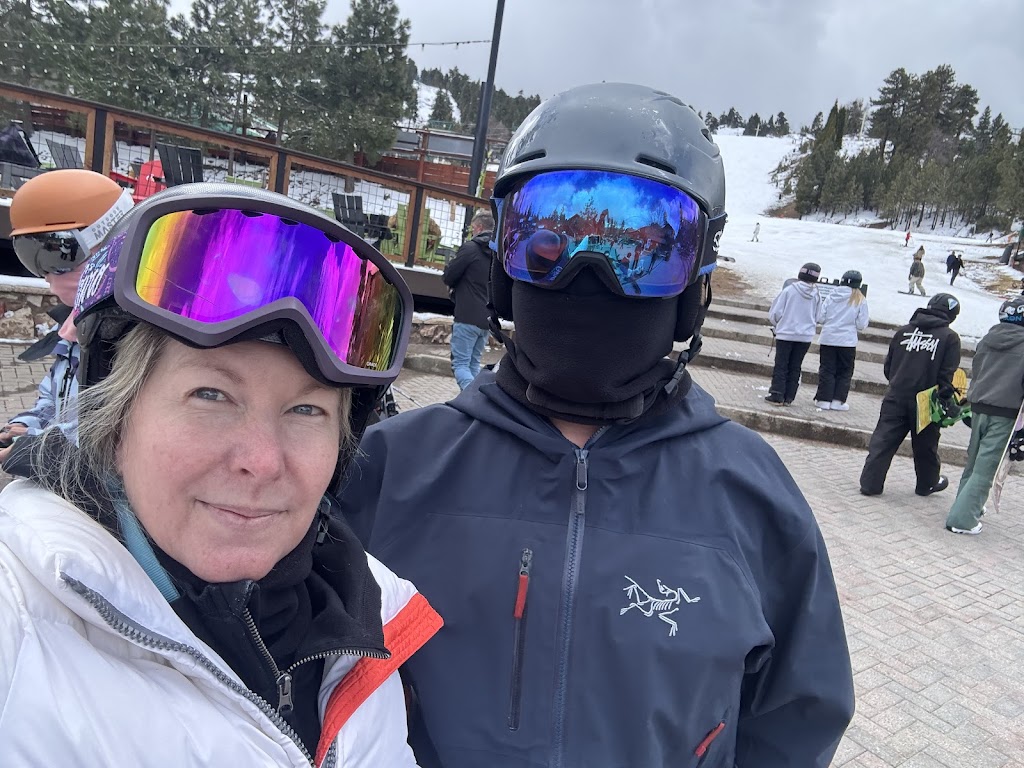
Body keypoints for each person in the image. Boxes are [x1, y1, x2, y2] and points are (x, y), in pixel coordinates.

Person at [340, 82, 854, 768]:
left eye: (643, 251)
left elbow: (796, 719)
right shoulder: (393, 466)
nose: (591, 273)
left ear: (693, 288)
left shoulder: (750, 493)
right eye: (548, 241)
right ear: (504, 271)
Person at [0, 184, 442, 764]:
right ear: (116, 415)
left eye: (306, 410)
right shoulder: (17, 628)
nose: (262, 461)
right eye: (211, 395)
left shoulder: (371, 622)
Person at [0, 169, 131, 470]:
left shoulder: (133, 335)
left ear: (113, 245)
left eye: (58, 255)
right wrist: (29, 425)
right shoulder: (74, 326)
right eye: (30, 255)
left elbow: (109, 440)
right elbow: (55, 395)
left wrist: (33, 452)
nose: (46, 275)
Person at [860, 293, 962, 497]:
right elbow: (946, 375)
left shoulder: (903, 331)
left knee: (883, 441)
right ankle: (927, 484)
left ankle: (870, 484)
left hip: (896, 395)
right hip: (926, 400)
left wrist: (898, 382)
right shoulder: (950, 338)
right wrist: (947, 399)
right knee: (926, 445)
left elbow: (889, 367)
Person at [944, 297, 1024, 534]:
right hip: (1006, 412)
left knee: (974, 462)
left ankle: (968, 505)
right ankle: (962, 520)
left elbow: (977, 371)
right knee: (986, 468)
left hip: (979, 407)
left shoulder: (988, 339)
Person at [443, 210, 495, 390]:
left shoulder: (471, 248)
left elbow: (450, 276)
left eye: (473, 228)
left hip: (467, 316)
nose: (472, 232)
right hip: (486, 319)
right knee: (473, 364)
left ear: (479, 227)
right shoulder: (498, 253)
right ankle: (475, 397)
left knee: (460, 365)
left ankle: (472, 399)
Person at [765, 262, 821, 405]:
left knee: (781, 364)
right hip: (805, 336)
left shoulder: (789, 291)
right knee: (795, 366)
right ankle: (789, 396)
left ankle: (777, 394)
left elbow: (776, 312)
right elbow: (818, 316)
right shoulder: (817, 295)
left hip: (786, 333)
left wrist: (778, 324)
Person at [814, 270, 869, 411]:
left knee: (827, 369)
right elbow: (861, 324)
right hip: (847, 341)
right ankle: (838, 401)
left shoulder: (831, 295)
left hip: (828, 338)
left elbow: (821, 318)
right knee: (845, 371)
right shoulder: (860, 300)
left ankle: (823, 399)